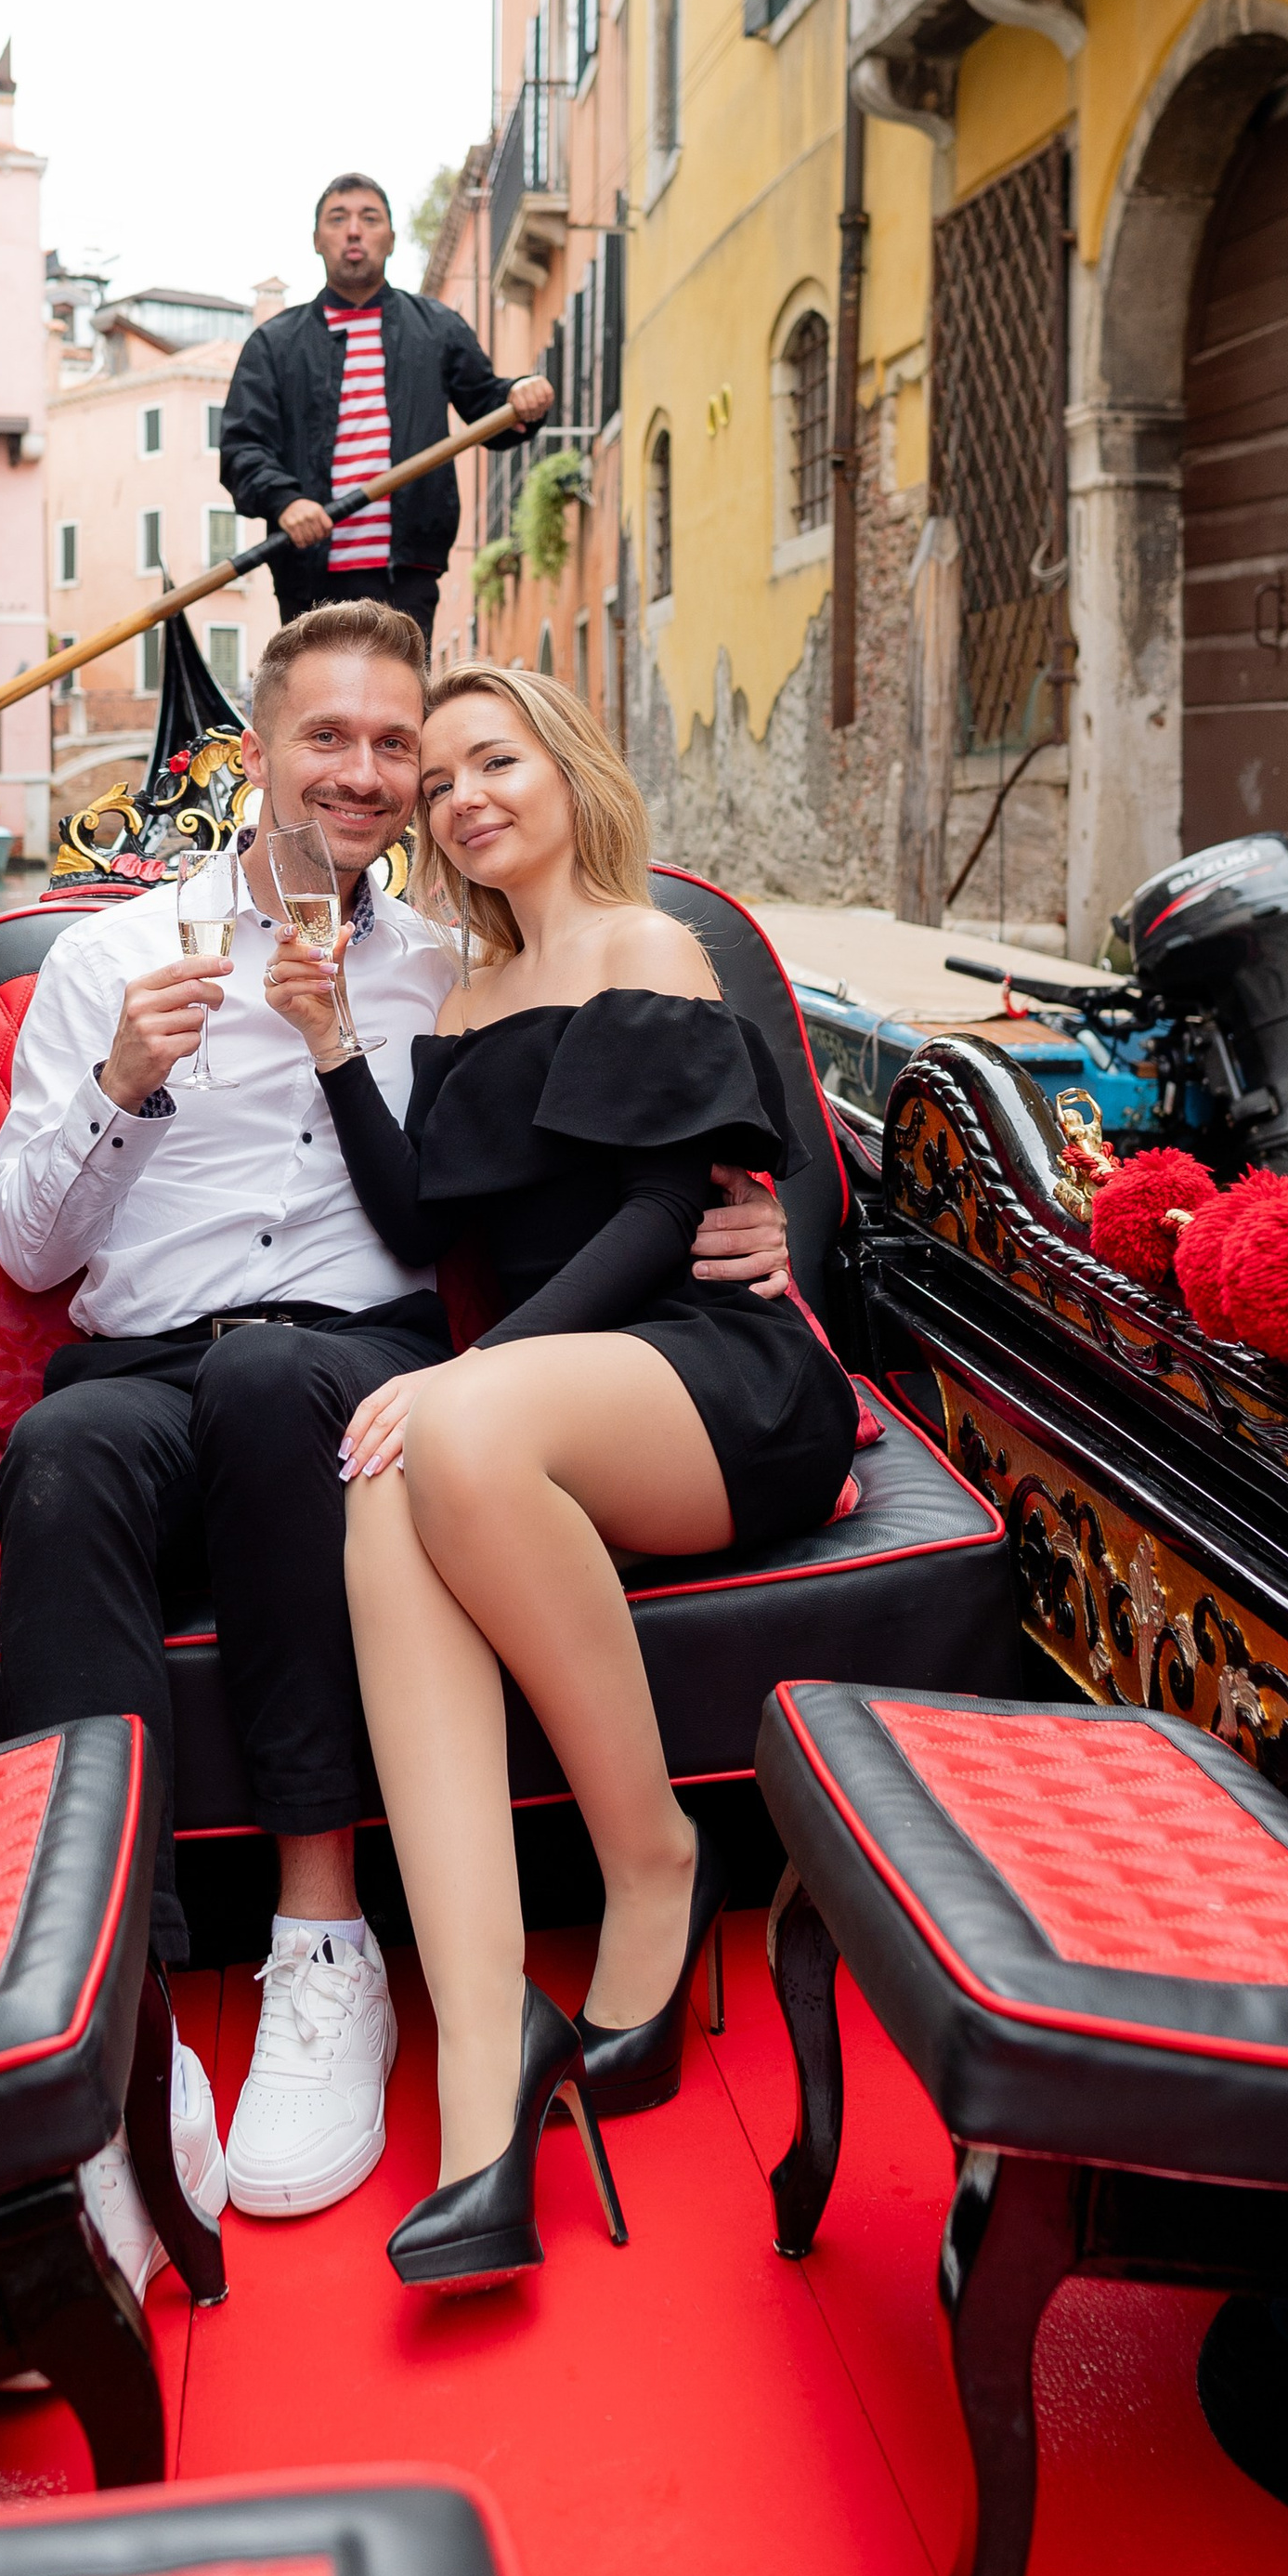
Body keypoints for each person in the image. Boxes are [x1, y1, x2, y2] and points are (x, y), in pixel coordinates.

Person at [0, 602, 792, 2282]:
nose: (373, 775)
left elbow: (639, 1182)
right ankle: (103, 2009)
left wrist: (759, 1222)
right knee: (55, 1463)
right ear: (256, 752)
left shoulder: (448, 963)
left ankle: (328, 1940)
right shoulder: (106, 962)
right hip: (146, 1362)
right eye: (333, 741)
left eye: (400, 748)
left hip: (367, 1361)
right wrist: (124, 1084)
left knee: (320, 1399)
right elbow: (23, 1258)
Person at [264, 663, 859, 2293]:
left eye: (490, 759)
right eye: (439, 778)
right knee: (377, 1475)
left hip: (712, 1376)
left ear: (567, 766)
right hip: (537, 1394)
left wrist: (478, 1373)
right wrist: (331, 1050)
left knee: (432, 1427)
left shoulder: (652, 942)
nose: (461, 796)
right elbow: (416, 1222)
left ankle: (653, 1854)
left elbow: (671, 1213)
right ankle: (482, 2082)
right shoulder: (455, 1002)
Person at [218, 172, 553, 647]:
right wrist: (286, 502)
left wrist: (521, 395)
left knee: (402, 708)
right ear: (318, 240)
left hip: (407, 572)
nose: (354, 230)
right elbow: (241, 448)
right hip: (308, 572)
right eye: (338, 219)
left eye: (369, 218)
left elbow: (488, 408)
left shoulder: (436, 329)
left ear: (390, 239)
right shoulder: (273, 345)